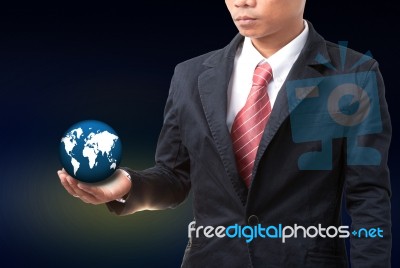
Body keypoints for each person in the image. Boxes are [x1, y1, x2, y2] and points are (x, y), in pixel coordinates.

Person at [58, 0, 392, 267]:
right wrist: (126, 185)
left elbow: (368, 197)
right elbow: (174, 176)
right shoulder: (190, 76)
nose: (242, 3)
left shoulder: (353, 74)